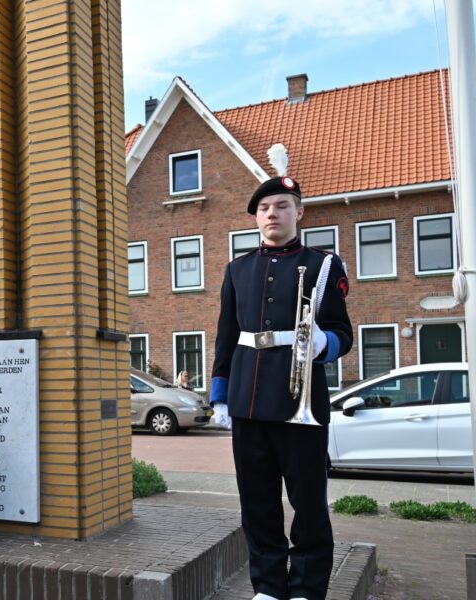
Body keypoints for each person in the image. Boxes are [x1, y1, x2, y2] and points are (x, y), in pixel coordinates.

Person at [209, 144, 352, 600]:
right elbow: (227, 335)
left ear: (299, 213)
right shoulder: (237, 269)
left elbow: (340, 331)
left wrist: (325, 344)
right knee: (258, 505)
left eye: (282, 206)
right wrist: (219, 395)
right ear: (256, 217)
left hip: (301, 401)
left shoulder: (324, 264)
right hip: (248, 403)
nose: (273, 214)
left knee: (308, 504)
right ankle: (269, 588)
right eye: (265, 208)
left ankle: (308, 589)